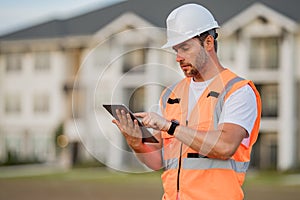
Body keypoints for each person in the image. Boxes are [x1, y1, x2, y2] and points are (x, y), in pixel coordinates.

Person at [112, 3, 261, 200]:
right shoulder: (171, 95)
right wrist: (136, 142)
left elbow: (225, 146)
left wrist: (170, 126)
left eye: (185, 48)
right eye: (176, 50)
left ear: (208, 43)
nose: (178, 57)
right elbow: (158, 161)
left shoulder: (238, 91)